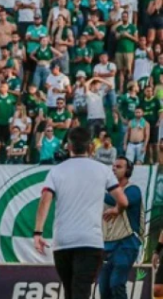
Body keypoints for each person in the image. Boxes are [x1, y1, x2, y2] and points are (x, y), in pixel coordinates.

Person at [34, 127, 129, 299]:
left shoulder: (57, 171)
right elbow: (123, 201)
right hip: (89, 241)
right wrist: (116, 210)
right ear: (91, 147)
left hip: (63, 241)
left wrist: (38, 232)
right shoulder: (103, 170)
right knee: (81, 291)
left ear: (69, 146)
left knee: (71, 292)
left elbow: (45, 200)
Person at [99, 157, 144, 299]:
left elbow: (120, 200)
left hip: (127, 243)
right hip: (108, 244)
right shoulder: (106, 193)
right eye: (113, 166)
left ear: (128, 171)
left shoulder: (133, 189)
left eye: (118, 167)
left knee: (116, 283)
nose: (113, 169)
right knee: (104, 288)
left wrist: (97, 190)